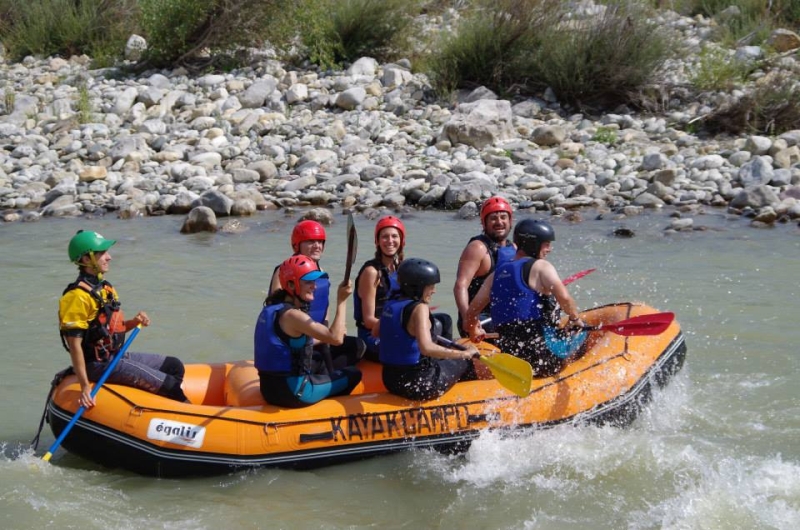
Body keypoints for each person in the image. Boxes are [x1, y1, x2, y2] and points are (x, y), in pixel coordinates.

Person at [58, 230, 189, 408]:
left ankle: (159, 403)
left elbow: (112, 330)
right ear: (87, 259)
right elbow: (75, 346)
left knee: (174, 366)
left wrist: (134, 322)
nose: (109, 257)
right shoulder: (77, 297)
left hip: (113, 356)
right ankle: (181, 404)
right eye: (102, 253)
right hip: (96, 365)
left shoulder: (106, 288)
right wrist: (84, 386)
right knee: (170, 385)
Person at [465, 219, 588, 377]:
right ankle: (574, 374)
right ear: (534, 244)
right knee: (583, 331)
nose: (549, 249)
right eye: (546, 244)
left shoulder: (496, 274)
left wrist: (474, 329)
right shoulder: (541, 267)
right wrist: (575, 319)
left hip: (512, 358)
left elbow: (471, 312)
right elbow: (564, 298)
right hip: (543, 357)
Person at [255, 255, 362, 408]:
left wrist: (324, 338)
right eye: (308, 282)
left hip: (268, 390)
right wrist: (342, 300)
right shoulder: (293, 315)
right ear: (291, 285)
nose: (315, 286)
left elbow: (289, 344)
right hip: (294, 393)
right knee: (353, 373)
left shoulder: (271, 309)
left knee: (318, 361)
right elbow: (337, 338)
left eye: (314, 281)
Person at [380, 258, 479, 401]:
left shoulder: (390, 304)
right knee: (466, 362)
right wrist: (465, 354)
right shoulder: (420, 308)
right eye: (430, 286)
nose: (434, 290)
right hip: (419, 384)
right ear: (418, 287)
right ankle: (471, 403)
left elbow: (376, 332)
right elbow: (426, 348)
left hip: (390, 381)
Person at [268, 219, 365, 365]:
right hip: (296, 341)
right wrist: (321, 338)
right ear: (296, 245)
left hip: (318, 336)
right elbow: (277, 314)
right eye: (310, 241)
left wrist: (329, 330)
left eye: (320, 241)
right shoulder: (284, 272)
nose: (317, 246)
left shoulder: (321, 272)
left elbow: (323, 306)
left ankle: (327, 368)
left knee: (357, 346)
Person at [454, 196, 516, 337]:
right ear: (484, 223)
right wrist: (468, 319)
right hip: (479, 318)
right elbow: (460, 286)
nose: (499, 222)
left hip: (502, 314)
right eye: (493, 218)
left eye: (503, 217)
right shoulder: (477, 248)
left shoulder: (514, 248)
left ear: (510, 221)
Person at [353, 216, 404, 361]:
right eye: (385, 237)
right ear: (377, 241)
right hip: (372, 336)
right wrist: (404, 328)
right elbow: (369, 320)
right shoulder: (371, 272)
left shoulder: (401, 268)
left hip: (395, 330)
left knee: (442, 321)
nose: (390, 241)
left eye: (394, 236)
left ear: (402, 240)